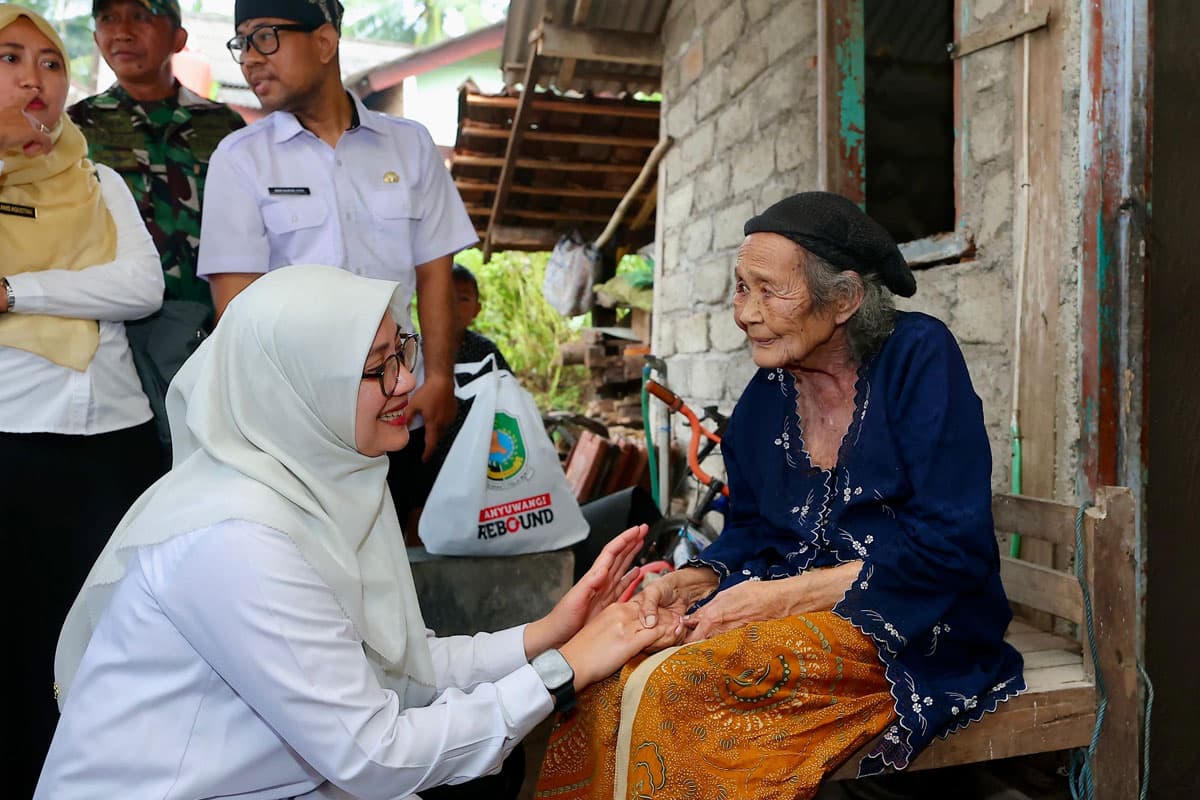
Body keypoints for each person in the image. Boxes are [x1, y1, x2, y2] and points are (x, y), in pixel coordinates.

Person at [35, 264, 680, 800]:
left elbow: (401, 666)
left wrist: (551, 631)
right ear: (299, 388)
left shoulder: (328, 483)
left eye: (403, 350)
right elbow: (375, 753)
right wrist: (564, 669)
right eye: (377, 368)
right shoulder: (235, 538)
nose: (406, 382)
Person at [535, 192, 1025, 799]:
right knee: (607, 672)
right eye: (742, 288)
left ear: (843, 299)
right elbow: (753, 531)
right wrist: (691, 583)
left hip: (911, 625)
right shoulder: (769, 393)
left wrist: (775, 601)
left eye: (770, 290)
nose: (746, 313)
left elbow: (952, 549)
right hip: (800, 619)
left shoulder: (919, 359)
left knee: (682, 690)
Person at [196, 0, 474, 506]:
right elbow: (237, 312)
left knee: (394, 558)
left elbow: (437, 276)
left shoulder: (409, 145)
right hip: (298, 421)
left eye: (265, 37)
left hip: (396, 406)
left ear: (324, 42)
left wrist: (438, 379)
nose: (249, 59)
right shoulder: (240, 159)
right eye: (241, 43)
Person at [0, 6, 165, 794]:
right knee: (23, 636)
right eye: (9, 58)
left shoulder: (98, 179)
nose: (36, 77)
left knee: (112, 632)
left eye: (51, 62)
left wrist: (13, 291)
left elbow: (139, 287)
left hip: (115, 441)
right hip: (13, 442)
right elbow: (107, 290)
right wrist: (75, 296)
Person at [68, 0, 245, 308]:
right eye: (108, 19)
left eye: (140, 17)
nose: (122, 32)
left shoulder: (225, 127)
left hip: (214, 317)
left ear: (179, 38)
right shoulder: (74, 128)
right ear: (96, 38)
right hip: (118, 323)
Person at [397, 263, 512, 544]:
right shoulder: (417, 351)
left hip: (476, 449)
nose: (453, 305)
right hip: (430, 450)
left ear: (477, 309)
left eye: (463, 298)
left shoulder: (485, 352)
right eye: (445, 297)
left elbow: (508, 395)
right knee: (420, 508)